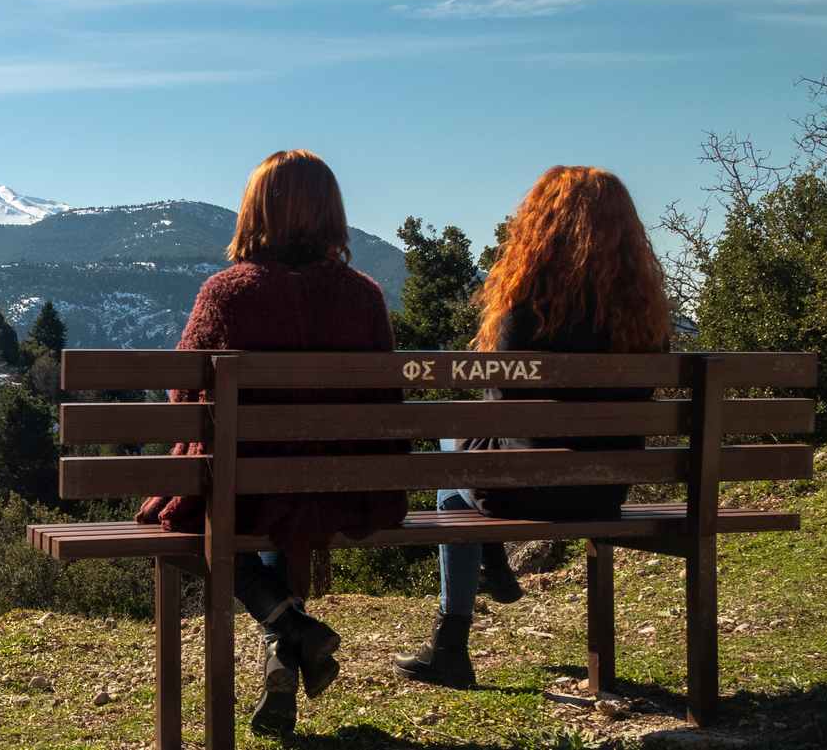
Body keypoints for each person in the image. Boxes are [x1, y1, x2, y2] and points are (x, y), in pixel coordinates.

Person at [135, 149, 408, 736]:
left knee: (203, 520)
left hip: (250, 491)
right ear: (333, 214)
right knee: (276, 500)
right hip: (343, 489)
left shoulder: (228, 293)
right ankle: (288, 641)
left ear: (254, 211)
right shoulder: (364, 297)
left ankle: (289, 625)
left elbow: (185, 399)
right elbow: (385, 405)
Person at [393, 165, 672, 688]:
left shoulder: (524, 311)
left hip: (518, 497)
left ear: (540, 226)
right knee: (461, 453)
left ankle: (454, 635)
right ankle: (487, 570)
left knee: (452, 449)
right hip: (603, 493)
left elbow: (498, 407)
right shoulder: (645, 320)